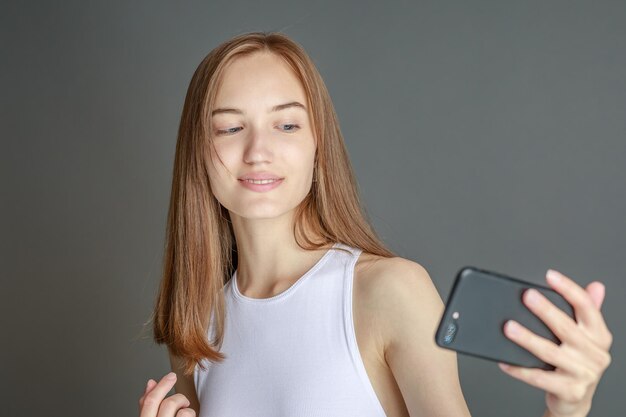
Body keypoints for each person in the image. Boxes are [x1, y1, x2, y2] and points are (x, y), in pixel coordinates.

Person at [138, 31, 613, 417]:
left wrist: (569, 409)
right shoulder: (197, 329)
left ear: (317, 145)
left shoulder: (388, 292)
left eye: (286, 125)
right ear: (198, 151)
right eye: (230, 127)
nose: (258, 150)